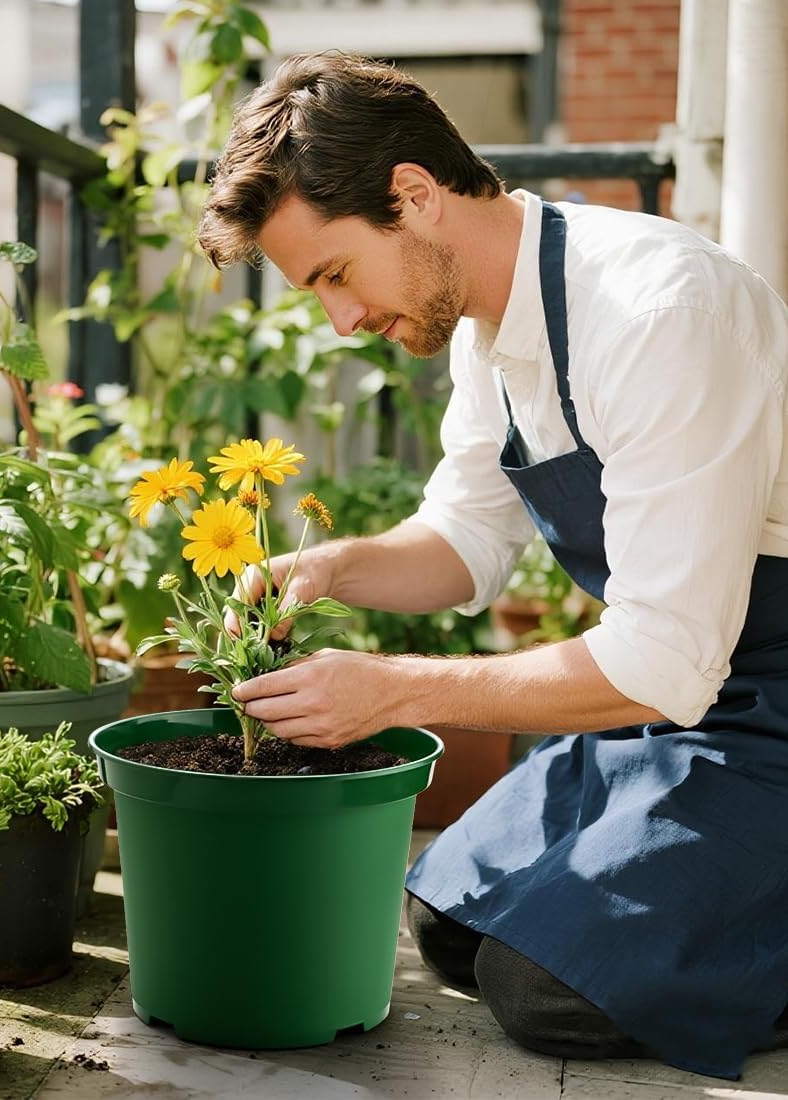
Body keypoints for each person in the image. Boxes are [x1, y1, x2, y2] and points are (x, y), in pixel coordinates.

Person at [197, 52, 788, 1081]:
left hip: (760, 704)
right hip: (683, 696)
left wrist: (392, 690)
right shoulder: (492, 328)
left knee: (545, 984)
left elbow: (660, 660)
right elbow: (462, 543)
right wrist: (328, 567)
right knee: (448, 920)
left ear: (413, 195)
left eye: (334, 273)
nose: (341, 320)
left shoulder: (657, 310)